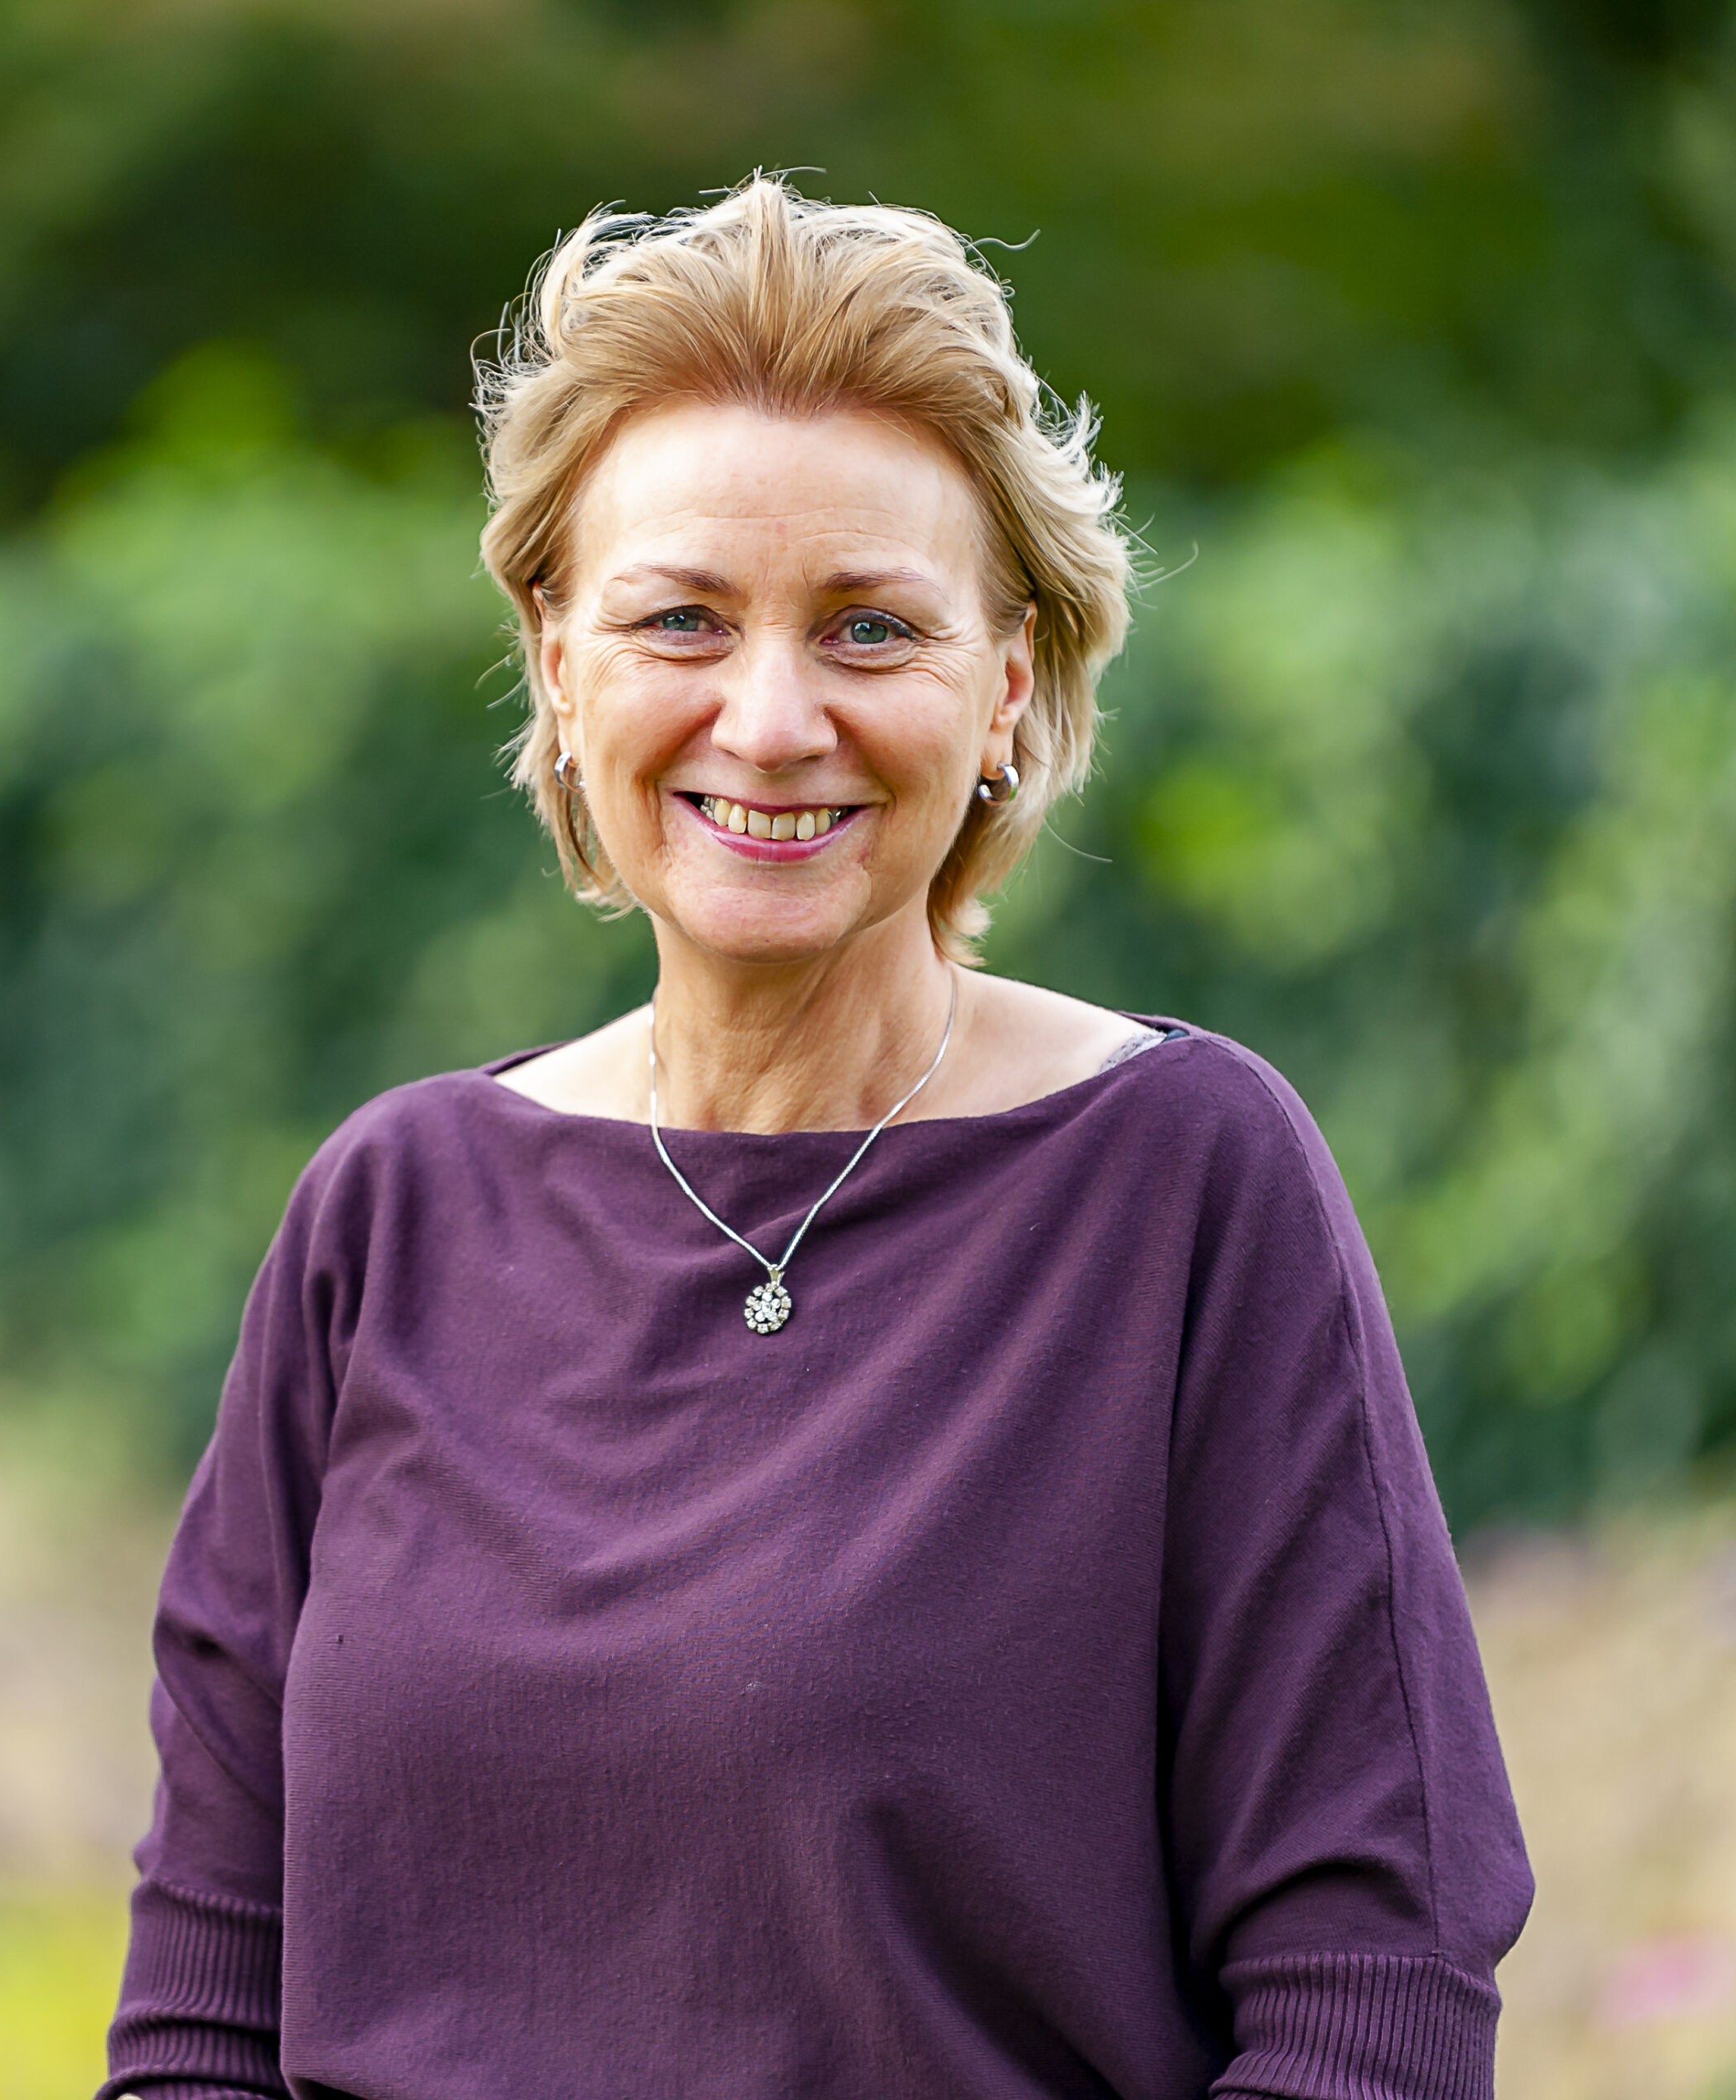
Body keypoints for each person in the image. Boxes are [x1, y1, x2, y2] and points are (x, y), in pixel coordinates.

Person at [99, 178, 1532, 2100]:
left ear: (1005, 683)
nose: (769, 720)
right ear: (556, 661)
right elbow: (199, 2018)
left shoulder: (1181, 1181)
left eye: (868, 627)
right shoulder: (390, 1210)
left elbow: (1373, 1998)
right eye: (679, 618)